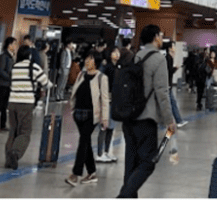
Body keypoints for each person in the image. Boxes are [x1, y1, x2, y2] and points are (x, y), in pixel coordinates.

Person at [116, 24, 176, 199]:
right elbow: (162, 92)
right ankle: (122, 198)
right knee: (148, 162)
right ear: (155, 37)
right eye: (161, 35)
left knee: (131, 163)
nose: (162, 39)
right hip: (146, 119)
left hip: (129, 118)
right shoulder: (159, 59)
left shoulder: (135, 57)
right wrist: (169, 120)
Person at [65, 51, 109, 187]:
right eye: (87, 58)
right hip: (78, 113)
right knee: (86, 142)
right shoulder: (81, 75)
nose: (87, 61)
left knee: (83, 141)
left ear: (96, 61)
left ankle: (75, 174)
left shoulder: (102, 78)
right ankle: (92, 173)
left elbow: (105, 99)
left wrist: (105, 118)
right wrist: (72, 108)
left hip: (92, 115)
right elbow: (75, 91)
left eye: (90, 59)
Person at [4, 45, 51, 169]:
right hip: (26, 103)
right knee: (25, 132)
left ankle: (8, 160)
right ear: (29, 56)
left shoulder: (14, 67)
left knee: (13, 131)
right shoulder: (33, 67)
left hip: (12, 103)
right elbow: (46, 82)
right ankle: (15, 153)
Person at [96, 46, 120, 163]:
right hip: (106, 100)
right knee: (104, 126)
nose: (117, 54)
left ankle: (106, 151)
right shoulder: (107, 67)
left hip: (114, 100)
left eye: (118, 52)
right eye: (114, 52)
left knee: (111, 127)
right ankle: (100, 153)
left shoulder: (117, 67)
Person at [0, 36, 17, 132]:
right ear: (9, 45)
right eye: (14, 44)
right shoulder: (4, 56)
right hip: (2, 84)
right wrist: (10, 78)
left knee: (5, 106)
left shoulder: (11, 56)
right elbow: (0, 71)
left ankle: (2, 125)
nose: (15, 46)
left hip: (8, 84)